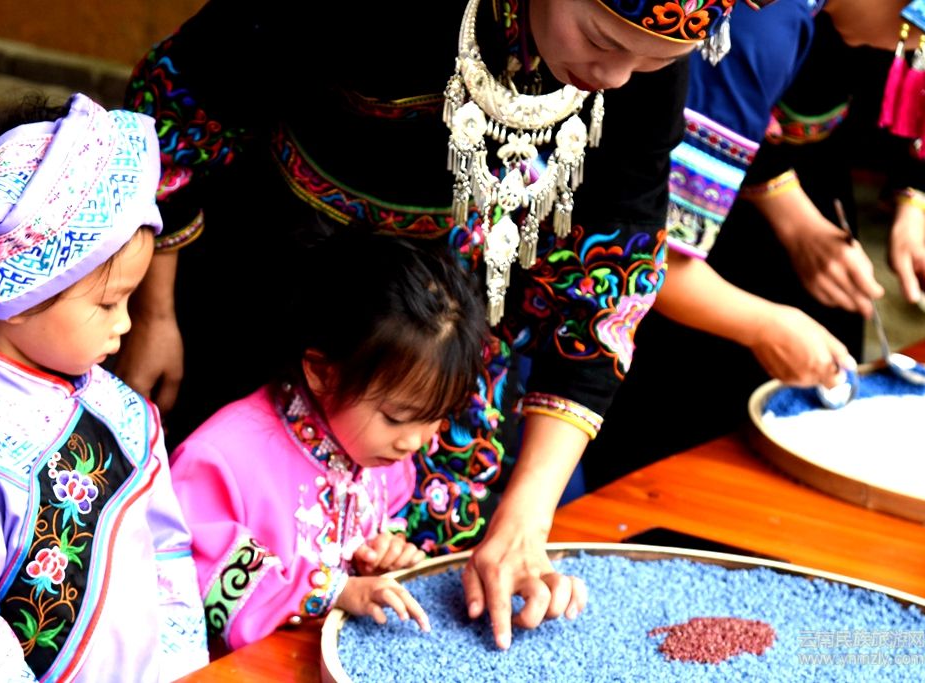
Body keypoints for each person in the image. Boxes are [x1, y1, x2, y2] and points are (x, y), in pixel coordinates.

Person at [121, 0, 778, 649]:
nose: (615, 78)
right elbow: (179, 108)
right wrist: (153, 312)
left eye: (655, 61)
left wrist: (525, 519)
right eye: (602, 40)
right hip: (273, 282)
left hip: (446, 336)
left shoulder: (413, 431)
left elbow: (608, 277)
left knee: (417, 588)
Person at [585, 0, 925, 486]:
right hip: (617, 271)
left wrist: (909, 216)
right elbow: (644, 257)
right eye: (921, 34)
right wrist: (766, 326)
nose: (915, 48)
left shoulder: (781, 21)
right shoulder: (760, 31)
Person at [0, 93, 209, 681]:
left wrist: (182, 671)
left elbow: (167, 549)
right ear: (15, 293)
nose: (126, 324)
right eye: (108, 302)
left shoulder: (121, 409)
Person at [169, 233, 487, 648]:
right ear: (322, 373)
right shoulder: (219, 458)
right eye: (396, 418)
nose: (414, 441)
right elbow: (198, 577)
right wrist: (332, 591)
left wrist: (381, 556)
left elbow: (376, 528)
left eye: (435, 419)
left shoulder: (377, 451)